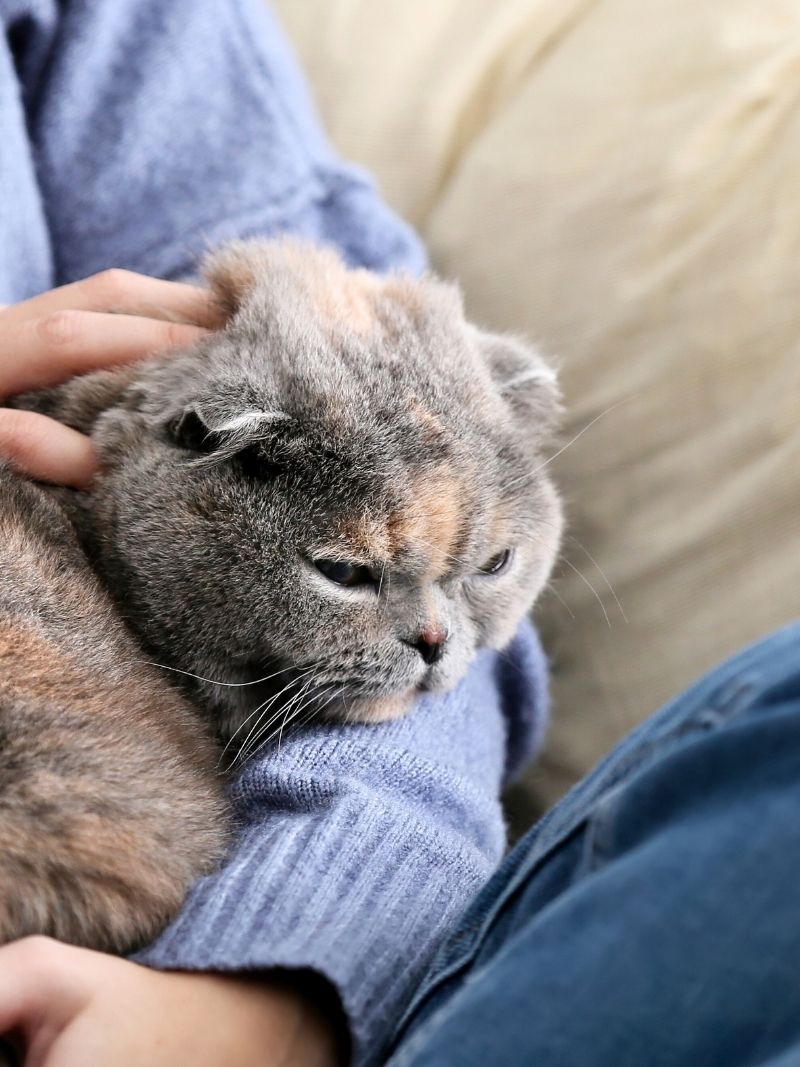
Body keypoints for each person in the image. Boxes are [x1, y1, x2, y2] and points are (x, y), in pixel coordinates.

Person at [2, 4, 799, 1067]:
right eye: (346, 573)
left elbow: (367, 356)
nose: (435, 640)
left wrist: (281, 981)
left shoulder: (135, 30)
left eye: (485, 569)